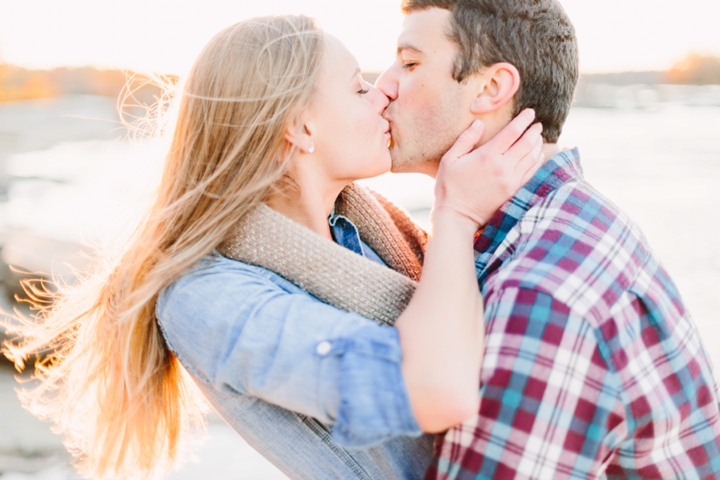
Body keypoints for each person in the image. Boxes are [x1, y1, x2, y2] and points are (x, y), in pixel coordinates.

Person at [4, 15, 544, 480]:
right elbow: (434, 390)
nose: (385, 92)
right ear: (298, 126)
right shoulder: (207, 298)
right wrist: (455, 214)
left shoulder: (361, 228)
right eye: (359, 88)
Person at [366, 1, 720, 478]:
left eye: (409, 64)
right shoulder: (558, 216)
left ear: (492, 88)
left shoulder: (543, 292)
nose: (383, 84)